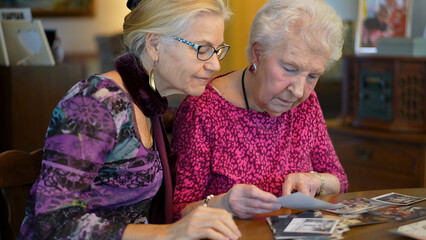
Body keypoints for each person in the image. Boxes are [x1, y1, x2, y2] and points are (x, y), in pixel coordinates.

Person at [17, 0, 242, 239]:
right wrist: (167, 233)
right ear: (154, 45)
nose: (215, 64)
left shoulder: (149, 104)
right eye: (202, 49)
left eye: (217, 50)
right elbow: (52, 222)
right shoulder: (94, 104)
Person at [172, 0, 348, 221]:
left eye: (313, 76)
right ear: (257, 53)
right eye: (290, 69)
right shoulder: (202, 109)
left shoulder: (307, 104)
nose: (298, 90)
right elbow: (178, 211)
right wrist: (224, 204)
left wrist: (316, 181)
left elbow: (338, 179)